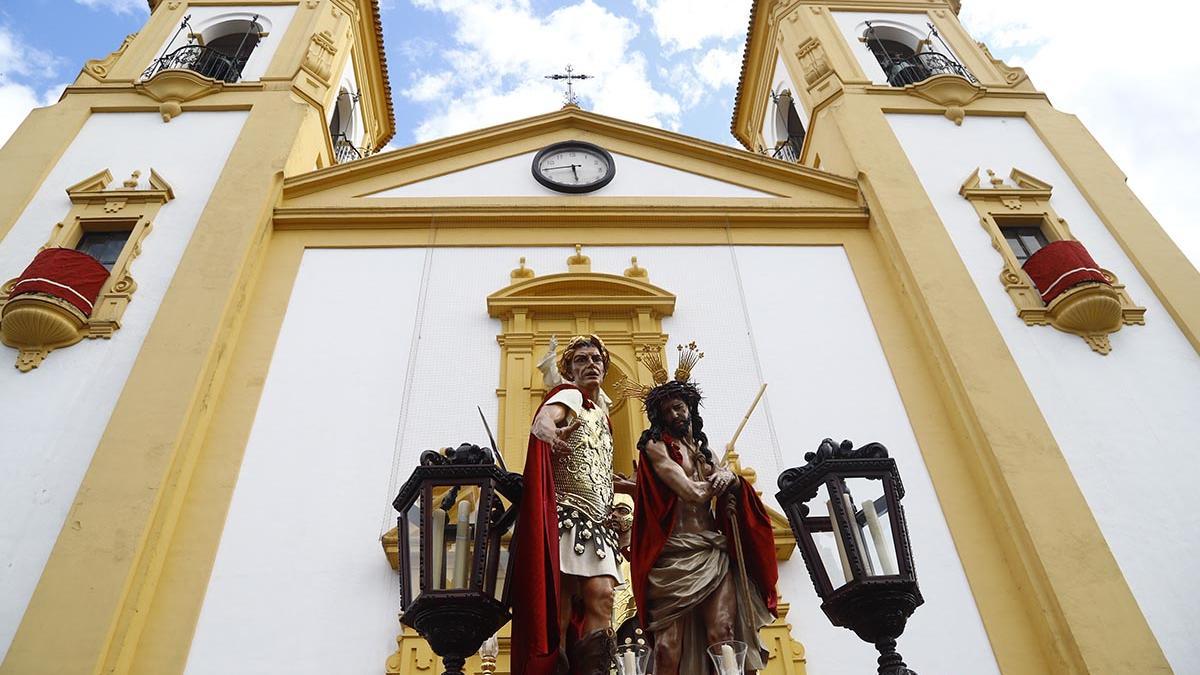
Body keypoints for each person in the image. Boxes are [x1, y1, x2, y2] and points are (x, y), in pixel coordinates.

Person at [629, 346, 777, 675]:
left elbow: (722, 491)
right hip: (672, 556)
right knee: (668, 648)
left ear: (690, 409)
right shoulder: (655, 448)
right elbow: (693, 493)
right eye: (667, 411)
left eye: (679, 407)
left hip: (712, 551)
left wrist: (732, 480)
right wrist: (723, 480)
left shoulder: (705, 454)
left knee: (723, 635)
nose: (674, 416)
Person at [513, 335, 630, 675]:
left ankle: (595, 670)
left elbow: (599, 470)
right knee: (559, 606)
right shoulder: (570, 396)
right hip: (568, 514)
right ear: (570, 370)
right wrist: (549, 432)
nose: (590, 364)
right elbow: (544, 419)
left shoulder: (603, 418)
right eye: (581, 360)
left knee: (603, 596)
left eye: (596, 359)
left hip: (599, 521)